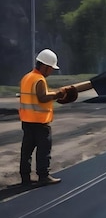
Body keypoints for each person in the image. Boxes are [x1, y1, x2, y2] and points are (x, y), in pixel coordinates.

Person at [19, 49, 67, 186]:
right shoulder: (39, 79)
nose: (51, 72)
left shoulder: (26, 77)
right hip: (40, 123)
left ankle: (25, 177)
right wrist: (58, 94)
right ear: (45, 66)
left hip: (27, 121)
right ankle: (43, 176)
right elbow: (42, 97)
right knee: (43, 151)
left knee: (26, 151)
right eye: (51, 69)